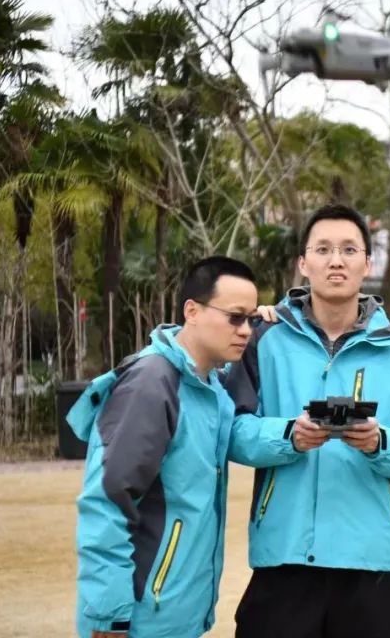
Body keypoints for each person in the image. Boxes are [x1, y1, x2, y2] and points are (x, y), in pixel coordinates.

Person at [226, 203, 390, 638]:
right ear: (303, 263)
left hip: (373, 565)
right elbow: (233, 431)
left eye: (348, 250)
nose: (335, 260)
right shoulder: (263, 339)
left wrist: (379, 443)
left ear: (367, 263)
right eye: (322, 249)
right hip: (284, 558)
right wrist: (289, 436)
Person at [74, 256, 260, 638]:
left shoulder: (208, 386)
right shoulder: (152, 382)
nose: (245, 331)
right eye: (235, 317)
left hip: (176, 616)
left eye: (252, 320)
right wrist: (109, 616)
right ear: (192, 311)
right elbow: (107, 501)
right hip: (139, 619)